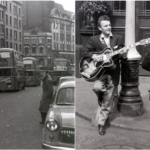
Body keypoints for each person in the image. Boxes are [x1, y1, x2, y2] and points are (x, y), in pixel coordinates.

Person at [82, 15, 126, 135]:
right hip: (99, 72)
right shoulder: (94, 39)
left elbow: (122, 54)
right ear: (100, 28)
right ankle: (101, 98)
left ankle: (101, 124)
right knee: (97, 88)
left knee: (107, 100)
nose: (108, 27)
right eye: (105, 26)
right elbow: (85, 52)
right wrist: (93, 56)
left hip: (113, 72)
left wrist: (123, 53)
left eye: (109, 25)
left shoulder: (118, 38)